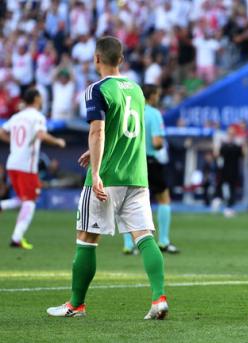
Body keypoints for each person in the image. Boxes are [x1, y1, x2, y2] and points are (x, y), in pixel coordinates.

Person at [47, 36, 167, 320]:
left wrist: (97, 170)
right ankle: (158, 298)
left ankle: (76, 305)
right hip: (137, 175)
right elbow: (126, 132)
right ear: (121, 60)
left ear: (96, 59)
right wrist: (95, 152)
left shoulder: (96, 89)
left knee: (87, 238)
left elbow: (98, 131)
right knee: (144, 236)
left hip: (107, 176)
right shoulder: (137, 90)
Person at [0, 88, 66, 249]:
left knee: (23, 199)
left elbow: (1, 131)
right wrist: (58, 141)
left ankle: (2, 206)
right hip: (26, 166)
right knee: (29, 201)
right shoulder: (37, 117)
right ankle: (16, 238)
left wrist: (14, 144)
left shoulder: (16, 117)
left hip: (12, 163)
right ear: (36, 99)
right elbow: (41, 135)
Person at [123, 84, 179, 255]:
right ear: (152, 96)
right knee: (163, 198)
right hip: (149, 161)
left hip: (130, 161)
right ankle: (163, 241)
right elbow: (156, 142)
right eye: (157, 94)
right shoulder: (154, 114)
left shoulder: (130, 111)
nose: (158, 98)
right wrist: (162, 143)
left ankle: (128, 245)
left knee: (128, 202)